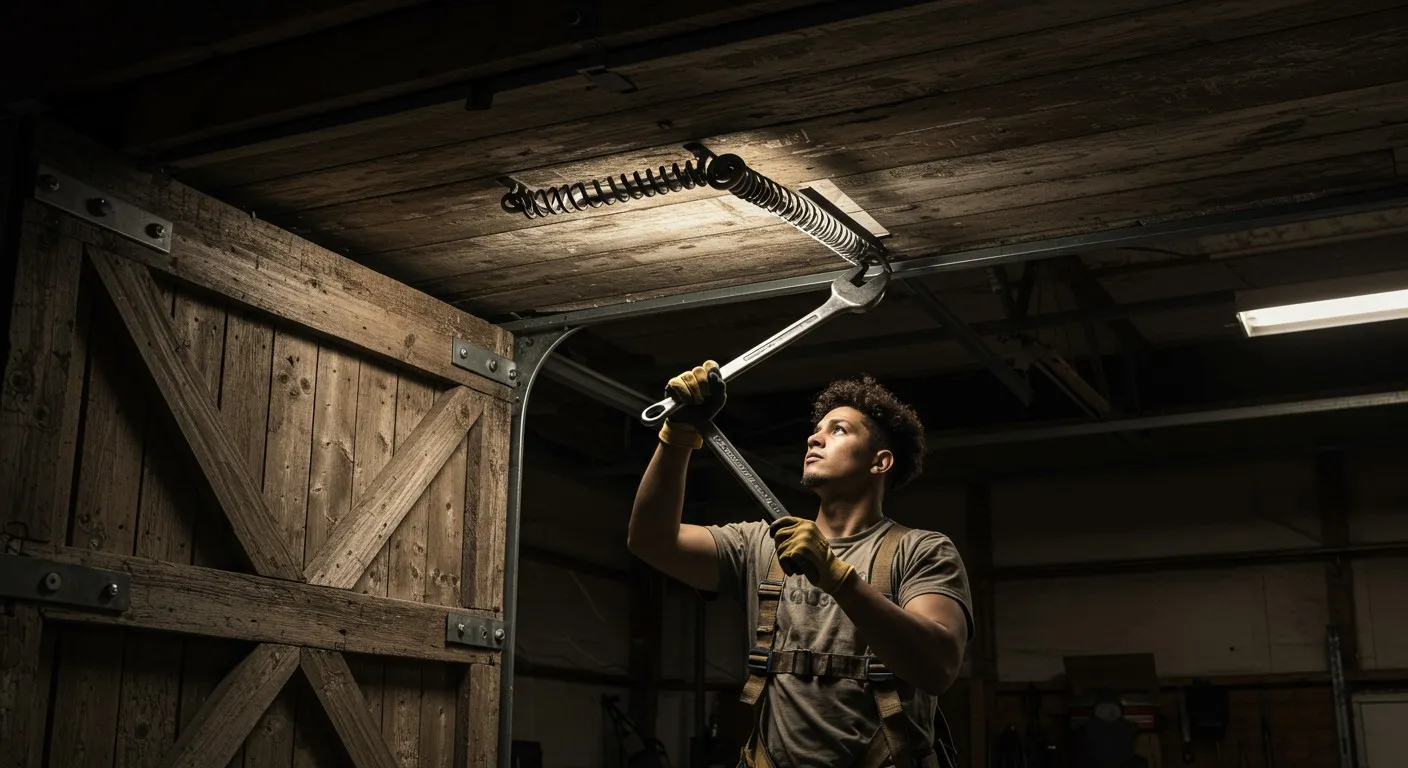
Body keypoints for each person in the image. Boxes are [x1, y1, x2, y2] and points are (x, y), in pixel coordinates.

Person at [627, 360, 974, 768]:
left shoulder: (921, 551)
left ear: (880, 462)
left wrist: (839, 579)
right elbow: (652, 540)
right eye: (817, 429)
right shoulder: (762, 544)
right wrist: (678, 435)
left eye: (838, 430)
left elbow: (938, 668)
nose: (814, 438)